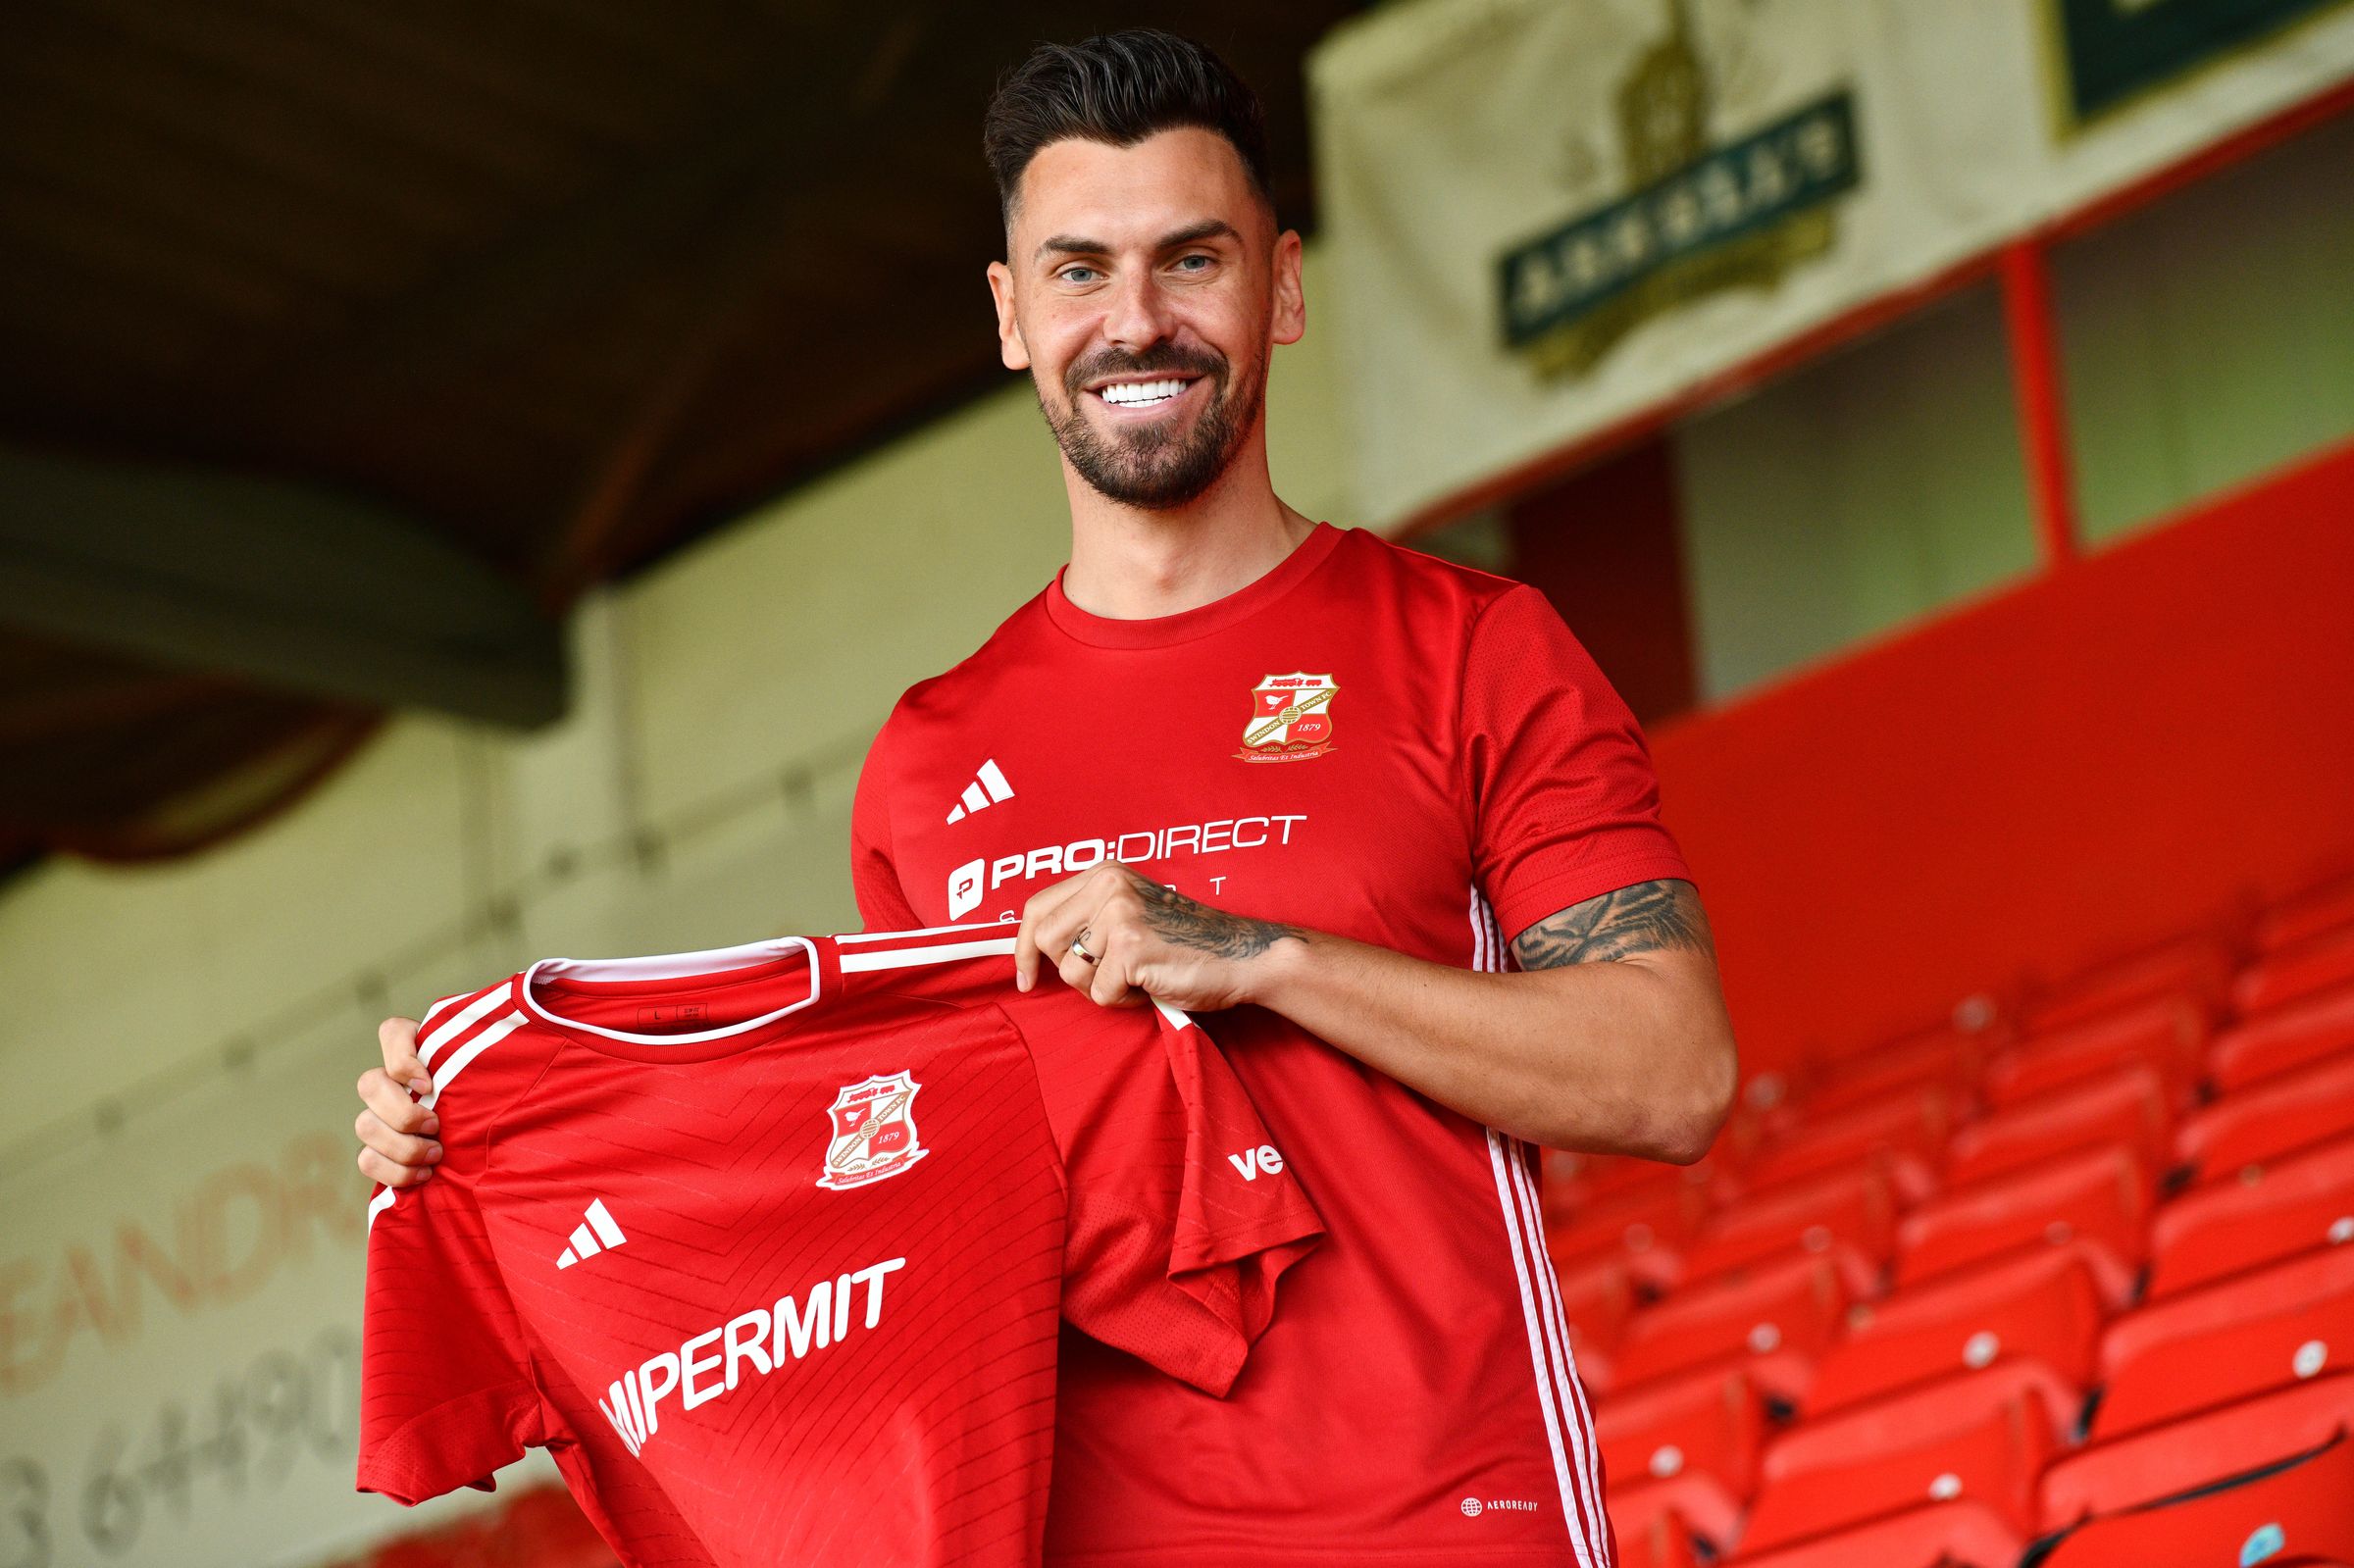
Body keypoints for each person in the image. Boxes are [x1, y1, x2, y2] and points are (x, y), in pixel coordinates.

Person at [356, 28, 1737, 1567]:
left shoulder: (1473, 647)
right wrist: (486, 1143)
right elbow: (889, 1195)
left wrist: (1264, 958)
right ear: (1013, 315)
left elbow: (1671, 1075)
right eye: (1080, 270)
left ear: (1282, 288)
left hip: (1435, 1530)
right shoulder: (930, 760)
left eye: (1191, 259)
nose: (1136, 320)